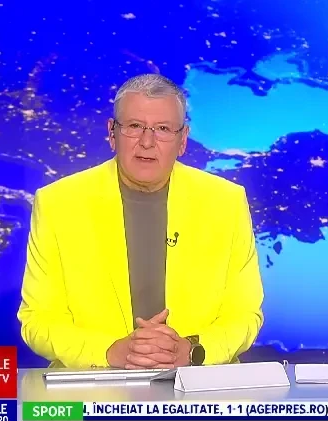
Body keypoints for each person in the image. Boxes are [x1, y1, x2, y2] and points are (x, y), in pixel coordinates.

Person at [17, 73, 264, 369]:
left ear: (183, 140)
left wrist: (191, 351)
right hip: (94, 386)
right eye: (134, 126)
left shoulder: (226, 202)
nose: (147, 142)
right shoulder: (58, 203)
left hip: (197, 384)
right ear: (112, 133)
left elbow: (244, 314)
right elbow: (38, 319)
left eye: (163, 129)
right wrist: (109, 352)